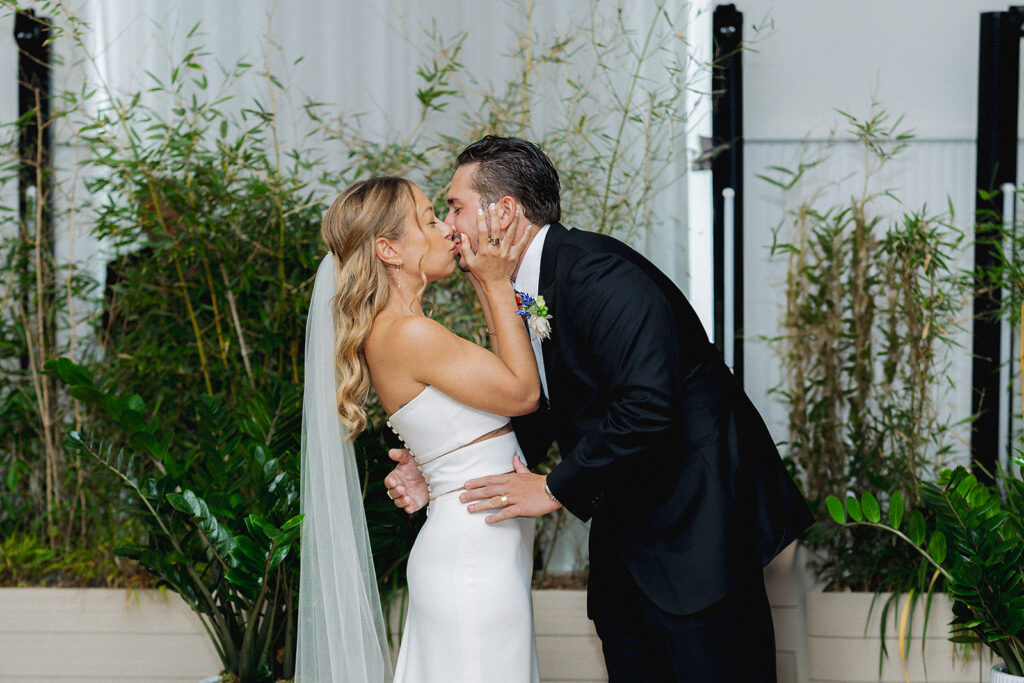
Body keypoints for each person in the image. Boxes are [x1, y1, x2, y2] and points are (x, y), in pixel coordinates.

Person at [384, 136, 816, 682]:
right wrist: (441, 469)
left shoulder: (596, 273)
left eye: (455, 207)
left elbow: (648, 406)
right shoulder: (527, 287)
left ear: (506, 212)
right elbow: (540, 409)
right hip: (631, 541)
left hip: (699, 533)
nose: (450, 225)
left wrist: (551, 488)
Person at [295, 176, 544, 682]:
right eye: (430, 218)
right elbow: (522, 394)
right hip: (471, 559)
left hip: (483, 545)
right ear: (388, 249)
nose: (448, 229)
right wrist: (496, 282)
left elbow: (488, 401)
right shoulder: (409, 333)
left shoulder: (404, 330)